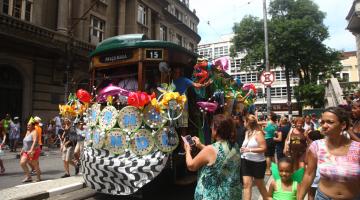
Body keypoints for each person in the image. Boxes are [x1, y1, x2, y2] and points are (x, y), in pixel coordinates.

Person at [298, 107, 360, 200]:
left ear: (343, 125)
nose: (324, 125)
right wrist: (300, 197)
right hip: (323, 197)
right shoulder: (317, 146)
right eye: (322, 122)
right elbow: (309, 174)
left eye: (330, 122)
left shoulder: (357, 148)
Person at [184, 114, 242, 200]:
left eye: (212, 126)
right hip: (231, 194)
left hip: (213, 196)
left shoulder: (210, 150)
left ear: (216, 129)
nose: (211, 128)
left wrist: (187, 150)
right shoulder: (235, 146)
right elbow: (218, 156)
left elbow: (191, 166)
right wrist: (200, 145)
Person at [241, 114, 268, 200]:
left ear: (248, 123)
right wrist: (243, 149)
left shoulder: (259, 133)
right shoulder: (247, 133)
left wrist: (249, 150)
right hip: (245, 161)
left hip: (258, 163)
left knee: (259, 184)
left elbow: (263, 148)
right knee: (246, 184)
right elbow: (245, 146)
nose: (243, 123)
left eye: (244, 121)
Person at [306, 130, 324, 200]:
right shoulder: (323, 145)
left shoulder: (311, 146)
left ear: (310, 138)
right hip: (321, 173)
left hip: (313, 174)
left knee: (311, 193)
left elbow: (306, 160)